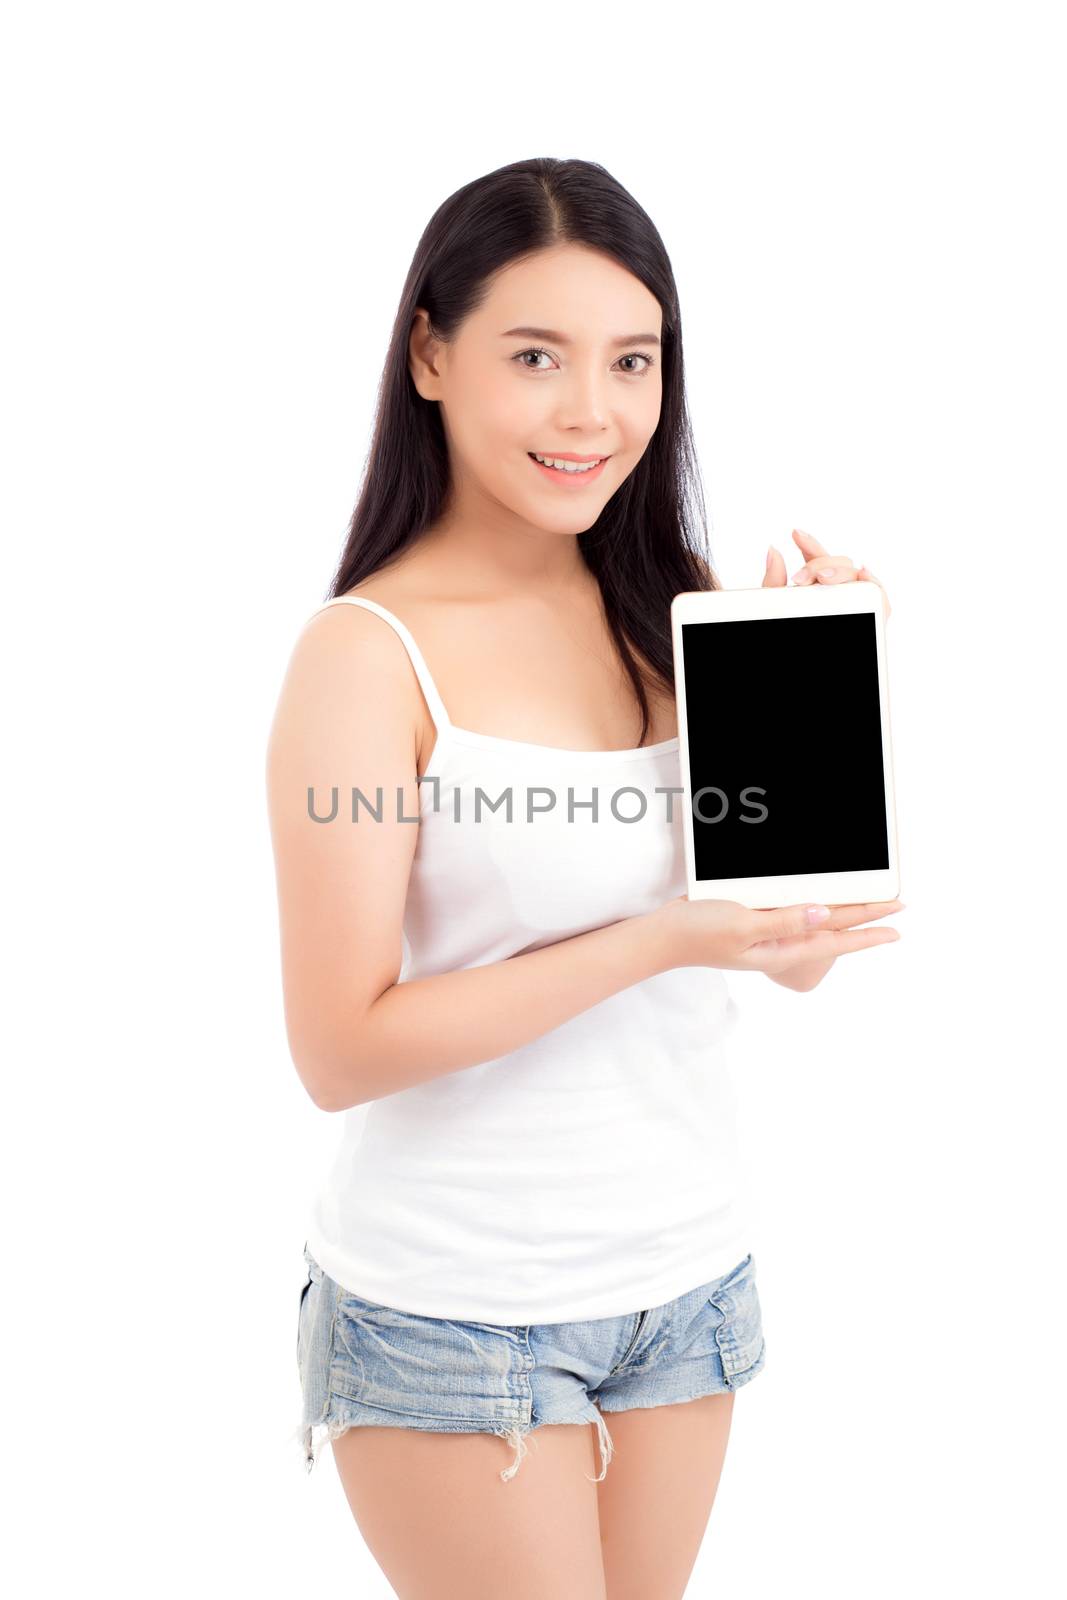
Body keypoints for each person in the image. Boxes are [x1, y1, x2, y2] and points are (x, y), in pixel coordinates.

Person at [266, 155, 901, 1600]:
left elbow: (791, 943)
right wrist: (655, 939)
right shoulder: (365, 656)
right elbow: (339, 1045)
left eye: (633, 360)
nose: (592, 412)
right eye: (535, 357)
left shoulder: (668, 599)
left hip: (684, 1279)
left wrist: (814, 690)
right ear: (430, 355)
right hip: (458, 1312)